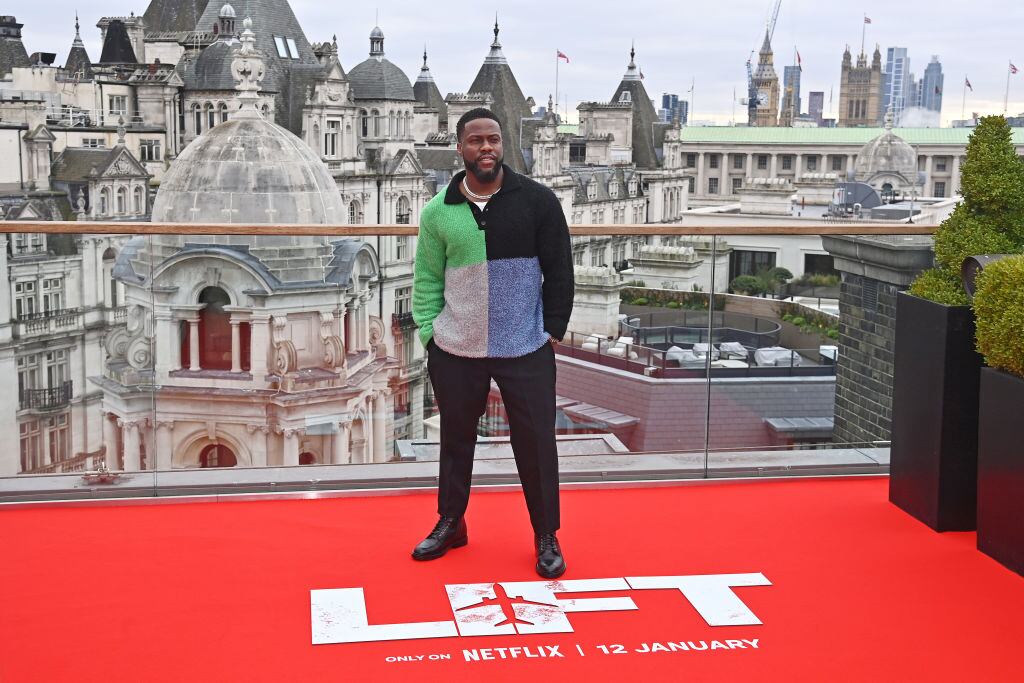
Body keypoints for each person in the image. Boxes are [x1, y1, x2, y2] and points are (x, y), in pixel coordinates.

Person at [411, 108, 574, 578]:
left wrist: (550, 332)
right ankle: (451, 521)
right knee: (455, 441)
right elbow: (426, 279)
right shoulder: (438, 211)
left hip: (525, 345)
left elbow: (560, 271)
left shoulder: (539, 201)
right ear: (459, 148)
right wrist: (429, 334)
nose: (486, 147)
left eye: (494, 139)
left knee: (537, 444)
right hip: (456, 346)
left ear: (503, 145)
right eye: (476, 140)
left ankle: (546, 534)